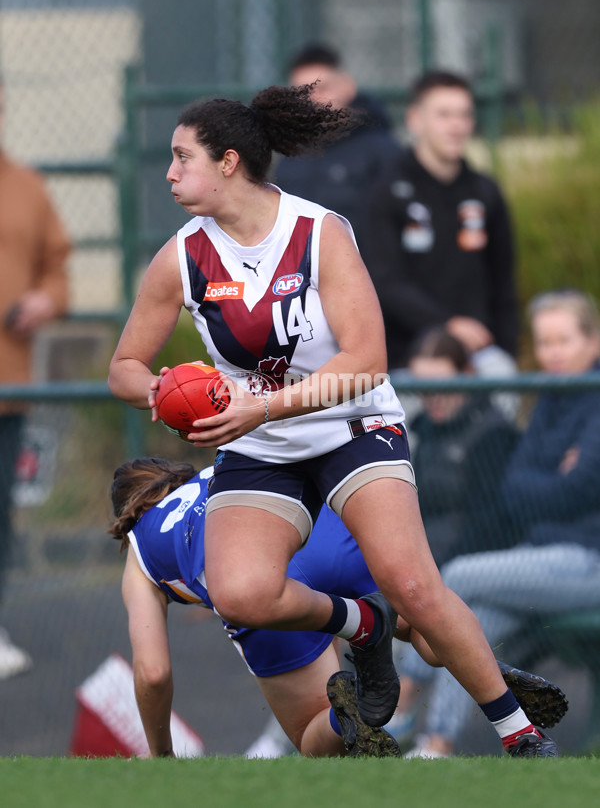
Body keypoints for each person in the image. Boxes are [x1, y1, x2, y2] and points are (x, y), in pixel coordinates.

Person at [108, 83, 558, 758]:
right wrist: (166, 394)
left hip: (353, 427)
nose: (169, 174)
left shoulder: (319, 232)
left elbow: (368, 360)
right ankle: (365, 624)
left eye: (182, 157)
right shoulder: (183, 256)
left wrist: (258, 404)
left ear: (229, 161)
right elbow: (124, 365)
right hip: (260, 446)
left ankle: (520, 734)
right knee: (241, 593)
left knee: (416, 586)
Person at [111, 456, 566, 758]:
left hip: (258, 584)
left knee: (313, 738)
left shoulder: (140, 547)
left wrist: (162, 757)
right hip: (319, 533)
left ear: (127, 515)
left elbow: (153, 674)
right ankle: (484, 674)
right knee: (421, 622)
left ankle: (345, 712)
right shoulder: (212, 473)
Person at [396, 288, 600, 759]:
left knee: (458, 579)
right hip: (546, 557)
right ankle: (437, 744)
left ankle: (402, 699)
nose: (553, 352)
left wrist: (554, 483)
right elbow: (516, 487)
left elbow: (579, 487)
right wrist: (557, 478)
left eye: (564, 340)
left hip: (587, 558)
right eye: (545, 342)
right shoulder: (551, 397)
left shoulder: (591, 395)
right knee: (472, 621)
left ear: (592, 342)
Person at [365, 70, 519, 374]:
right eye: (444, 115)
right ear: (415, 119)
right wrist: (446, 324)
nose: (457, 126)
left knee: (502, 376)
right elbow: (385, 282)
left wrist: (506, 349)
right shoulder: (386, 192)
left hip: (478, 357)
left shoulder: (485, 191)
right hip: (407, 360)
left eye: (464, 115)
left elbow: (503, 282)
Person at [0, 77, 71, 679]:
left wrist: (45, 302)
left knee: (0, 511)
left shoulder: (27, 188)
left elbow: (57, 273)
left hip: (8, 385)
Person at [274, 43, 403, 254]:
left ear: (347, 87)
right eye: (300, 93)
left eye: (321, 89)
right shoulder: (290, 154)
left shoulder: (381, 151)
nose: (311, 100)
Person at [406, 327, 519, 566]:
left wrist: (434, 570)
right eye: (422, 388)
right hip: (423, 558)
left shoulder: (493, 433)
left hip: (464, 565)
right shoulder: (425, 428)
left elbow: (489, 525)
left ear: (467, 374)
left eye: (442, 386)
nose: (433, 397)